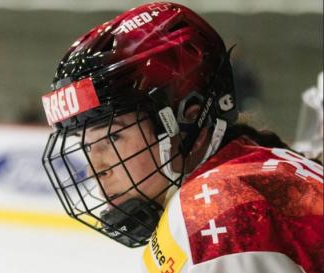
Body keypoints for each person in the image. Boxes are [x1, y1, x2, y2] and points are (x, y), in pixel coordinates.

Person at [41, 2, 323, 273]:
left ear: (189, 119)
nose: (95, 169)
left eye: (113, 138)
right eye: (87, 145)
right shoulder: (253, 164)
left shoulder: (215, 214)